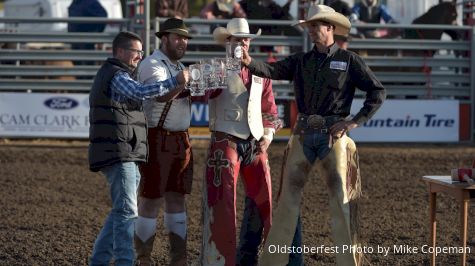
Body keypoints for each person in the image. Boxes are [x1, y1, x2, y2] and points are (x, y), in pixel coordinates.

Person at [242, 4, 386, 265]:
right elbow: (272, 71)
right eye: (309, 26)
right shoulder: (301, 61)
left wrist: (353, 122)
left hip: (332, 135)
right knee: (288, 201)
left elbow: (378, 92)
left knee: (340, 201)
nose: (310, 30)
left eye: (315, 25)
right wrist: (249, 62)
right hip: (305, 134)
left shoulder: (350, 60)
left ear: (330, 28)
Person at [88, 31, 189, 266]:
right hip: (119, 152)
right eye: (136, 52)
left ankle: (99, 261)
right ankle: (125, 261)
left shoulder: (115, 73)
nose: (140, 56)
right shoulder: (117, 75)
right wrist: (174, 81)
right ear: (121, 52)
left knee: (120, 211)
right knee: (126, 212)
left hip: (123, 151)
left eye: (142, 52)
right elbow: (141, 93)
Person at [201, 18, 283, 266]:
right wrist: (227, 68)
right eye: (238, 39)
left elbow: (270, 110)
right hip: (227, 142)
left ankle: (254, 257)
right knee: (224, 204)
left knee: (264, 202)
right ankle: (221, 260)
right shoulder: (215, 68)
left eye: (246, 39)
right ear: (228, 42)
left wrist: (268, 136)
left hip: (255, 142)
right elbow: (207, 92)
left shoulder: (260, 72)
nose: (243, 43)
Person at [133, 18, 193, 266]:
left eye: (185, 38)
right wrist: (184, 81)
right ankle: (143, 258)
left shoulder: (176, 65)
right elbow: (159, 96)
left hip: (180, 138)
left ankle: (178, 259)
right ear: (164, 38)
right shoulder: (152, 64)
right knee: (151, 198)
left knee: (177, 197)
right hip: (158, 136)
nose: (183, 42)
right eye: (177, 37)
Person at [68, 0, 107, 65]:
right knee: (77, 62)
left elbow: (103, 15)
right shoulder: (75, 2)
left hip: (86, 40)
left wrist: (98, 33)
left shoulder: (89, 2)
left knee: (86, 63)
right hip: (75, 40)